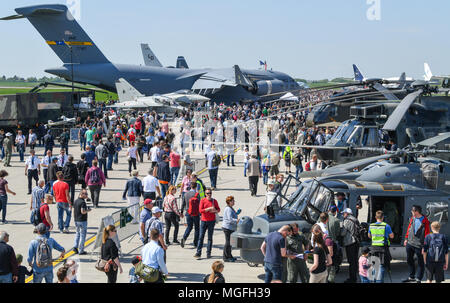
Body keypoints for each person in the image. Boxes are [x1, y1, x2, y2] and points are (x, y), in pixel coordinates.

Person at [403, 205, 431, 283]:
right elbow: (409, 229)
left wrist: (425, 246)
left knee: (420, 262)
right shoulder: (412, 218)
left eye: (412, 211)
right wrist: (406, 239)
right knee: (409, 260)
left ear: (416, 211)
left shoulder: (425, 221)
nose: (411, 212)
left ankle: (418, 278)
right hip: (410, 243)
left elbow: (427, 234)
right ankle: (411, 277)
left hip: (419, 245)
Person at [368, 210, 394, 283]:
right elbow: (392, 236)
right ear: (383, 217)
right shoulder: (386, 226)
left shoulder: (371, 225)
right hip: (382, 249)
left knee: (373, 266)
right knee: (381, 266)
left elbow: (369, 236)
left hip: (373, 248)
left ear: (376, 217)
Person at [194, 188, 220, 259]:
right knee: (201, 237)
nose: (209, 194)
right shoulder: (202, 200)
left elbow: (218, 209)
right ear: (205, 194)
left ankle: (208, 253)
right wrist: (208, 209)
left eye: (210, 193)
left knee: (210, 238)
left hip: (211, 221)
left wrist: (215, 211)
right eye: (207, 193)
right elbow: (200, 210)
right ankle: (198, 252)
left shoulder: (214, 201)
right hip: (203, 221)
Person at [341, 208, 360, 283]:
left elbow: (343, 233)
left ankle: (352, 279)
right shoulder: (355, 219)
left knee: (351, 262)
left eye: (344, 213)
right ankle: (354, 277)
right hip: (356, 242)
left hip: (350, 243)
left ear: (347, 213)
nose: (343, 215)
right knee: (355, 261)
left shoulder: (347, 221)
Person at [181, 182, 200, 248]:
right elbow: (199, 204)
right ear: (196, 187)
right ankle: (195, 242)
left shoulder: (186, 194)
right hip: (196, 213)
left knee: (189, 227)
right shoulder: (197, 194)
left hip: (188, 213)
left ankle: (184, 238)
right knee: (197, 228)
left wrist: (181, 212)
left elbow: (183, 203)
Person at [72, 189, 91, 255]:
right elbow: (82, 211)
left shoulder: (76, 201)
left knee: (77, 233)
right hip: (82, 220)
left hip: (76, 220)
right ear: (81, 194)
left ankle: (75, 247)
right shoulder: (82, 202)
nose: (87, 195)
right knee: (83, 235)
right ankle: (81, 250)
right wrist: (88, 210)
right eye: (85, 194)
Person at [222, 196, 238, 262]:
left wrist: (237, 213)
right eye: (233, 201)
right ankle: (225, 257)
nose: (234, 202)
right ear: (229, 202)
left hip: (231, 227)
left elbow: (232, 216)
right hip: (227, 227)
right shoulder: (228, 209)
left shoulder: (231, 208)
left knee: (231, 243)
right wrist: (237, 220)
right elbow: (230, 219)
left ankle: (229, 255)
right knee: (228, 242)